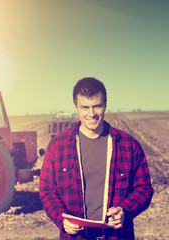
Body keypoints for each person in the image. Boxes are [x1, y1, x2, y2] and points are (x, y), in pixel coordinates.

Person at [39, 77, 154, 240]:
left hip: (116, 236)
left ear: (105, 104)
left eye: (97, 106)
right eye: (85, 107)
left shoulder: (129, 146)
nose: (91, 113)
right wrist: (61, 218)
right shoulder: (57, 147)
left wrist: (124, 210)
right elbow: (47, 190)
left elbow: (144, 188)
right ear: (76, 107)